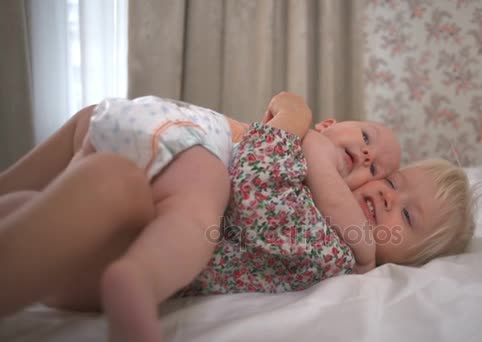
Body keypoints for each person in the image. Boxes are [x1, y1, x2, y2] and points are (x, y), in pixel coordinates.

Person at [0, 92, 405, 341]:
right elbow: (262, 173)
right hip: (176, 140)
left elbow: (289, 196)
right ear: (330, 125)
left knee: (50, 193)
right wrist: (296, 117)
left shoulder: (320, 228)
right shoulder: (310, 144)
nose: (368, 159)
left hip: (125, 168)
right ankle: (139, 277)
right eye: (367, 138)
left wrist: (365, 253)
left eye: (376, 172)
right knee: (199, 196)